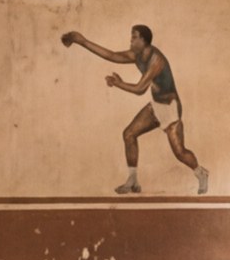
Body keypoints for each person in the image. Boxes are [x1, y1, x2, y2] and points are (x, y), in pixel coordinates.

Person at [64, 24, 209, 194]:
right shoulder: (137, 55)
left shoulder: (156, 60)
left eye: (134, 37)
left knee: (179, 152)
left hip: (170, 108)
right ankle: (132, 180)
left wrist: (119, 84)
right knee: (129, 134)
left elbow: (140, 89)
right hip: (156, 106)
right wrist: (82, 41)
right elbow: (111, 55)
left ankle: (201, 173)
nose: (131, 41)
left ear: (143, 40)